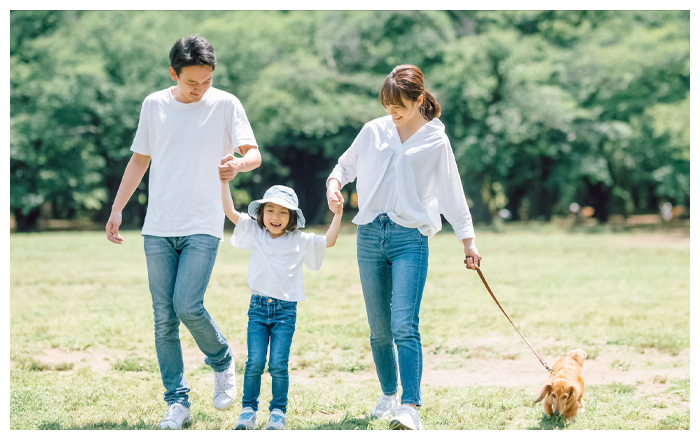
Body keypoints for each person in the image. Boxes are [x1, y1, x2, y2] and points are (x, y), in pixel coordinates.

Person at [104, 35, 261, 430]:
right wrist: (118, 208)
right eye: (192, 82)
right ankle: (177, 403)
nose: (200, 89)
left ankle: (222, 358)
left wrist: (238, 166)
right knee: (163, 318)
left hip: (203, 222)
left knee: (187, 304)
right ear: (173, 73)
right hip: (158, 225)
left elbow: (253, 154)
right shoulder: (154, 104)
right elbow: (140, 160)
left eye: (207, 80)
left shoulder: (226, 104)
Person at [326, 64, 482, 430]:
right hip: (369, 235)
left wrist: (468, 241)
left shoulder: (435, 140)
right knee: (379, 328)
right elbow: (344, 167)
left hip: (410, 237)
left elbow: (451, 193)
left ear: (418, 100)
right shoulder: (373, 131)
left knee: (404, 325)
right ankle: (387, 395)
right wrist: (334, 184)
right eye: (387, 105)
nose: (391, 113)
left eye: (399, 106)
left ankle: (410, 406)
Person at [220, 182, 342, 430]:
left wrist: (338, 213)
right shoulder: (256, 232)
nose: (275, 217)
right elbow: (230, 211)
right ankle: (248, 410)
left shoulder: (300, 240)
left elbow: (328, 241)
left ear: (292, 217)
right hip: (257, 308)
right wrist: (224, 182)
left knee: (278, 364)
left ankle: (277, 411)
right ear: (261, 213)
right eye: (270, 210)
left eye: (283, 212)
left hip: (285, 312)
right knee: (254, 361)